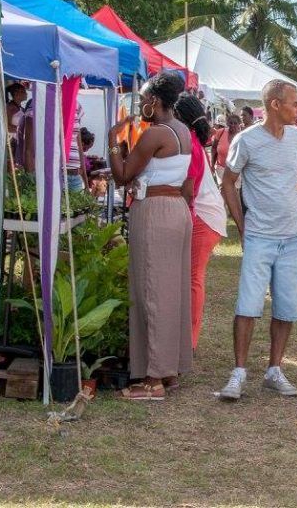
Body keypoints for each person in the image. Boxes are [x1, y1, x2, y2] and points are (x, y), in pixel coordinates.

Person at [218, 80, 297, 401]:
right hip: (259, 235)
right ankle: (239, 372)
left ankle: (274, 369)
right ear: (275, 104)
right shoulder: (247, 140)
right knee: (248, 304)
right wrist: (242, 227)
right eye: (295, 104)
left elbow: (294, 179)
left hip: (292, 236)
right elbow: (228, 183)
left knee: (286, 306)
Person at [108, 72, 194, 400]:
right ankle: (168, 370)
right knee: (171, 291)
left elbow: (123, 174)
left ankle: (153, 380)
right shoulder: (182, 129)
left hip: (155, 212)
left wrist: (114, 141)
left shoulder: (155, 133)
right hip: (175, 211)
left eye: (144, 99)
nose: (141, 105)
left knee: (151, 292)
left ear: (155, 102)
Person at [174, 94, 226, 350]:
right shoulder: (191, 140)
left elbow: (189, 191)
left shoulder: (190, 142)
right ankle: (186, 338)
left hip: (203, 218)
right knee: (191, 278)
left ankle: (189, 342)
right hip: (206, 216)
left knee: (193, 278)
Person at [211, 113, 242, 181]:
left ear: (239, 124)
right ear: (227, 124)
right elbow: (214, 148)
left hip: (236, 171)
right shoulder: (220, 132)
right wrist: (212, 164)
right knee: (222, 190)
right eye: (231, 123)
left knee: (235, 190)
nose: (233, 125)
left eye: (235, 123)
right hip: (221, 169)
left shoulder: (242, 136)